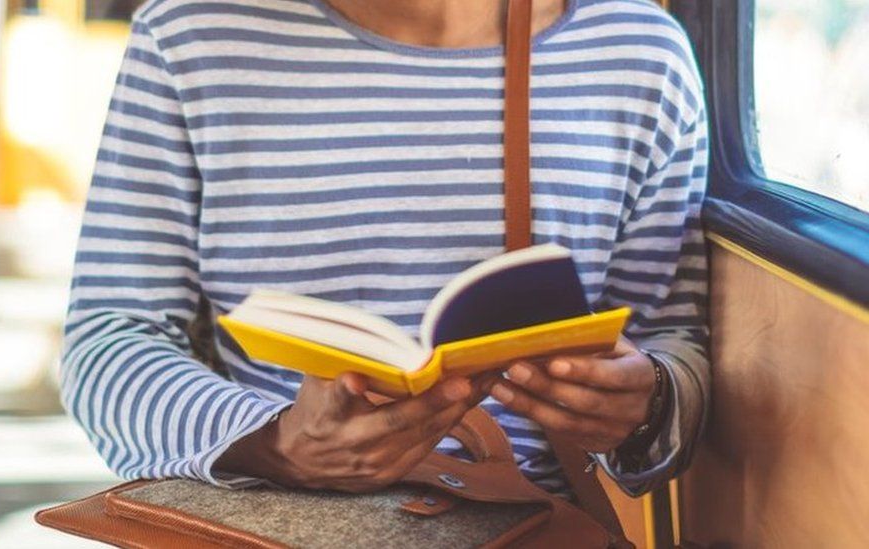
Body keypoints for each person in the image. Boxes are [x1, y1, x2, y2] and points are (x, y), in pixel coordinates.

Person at [61, 0, 709, 498]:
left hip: (526, 518)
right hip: (267, 517)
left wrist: (647, 402)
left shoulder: (639, 52)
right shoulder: (192, 31)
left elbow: (668, 336)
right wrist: (277, 441)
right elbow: (109, 336)